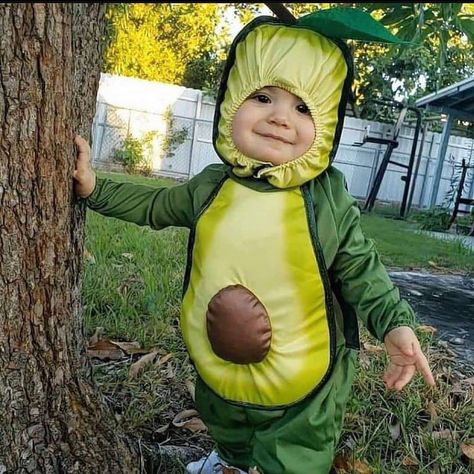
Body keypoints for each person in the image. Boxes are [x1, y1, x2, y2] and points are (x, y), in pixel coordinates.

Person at [74, 8, 435, 474]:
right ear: (231, 103)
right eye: (263, 97)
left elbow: (360, 268)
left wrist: (393, 324)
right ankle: (231, 459)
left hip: (307, 369)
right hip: (219, 357)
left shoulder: (325, 200)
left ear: (326, 126)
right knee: (225, 415)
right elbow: (153, 207)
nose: (280, 118)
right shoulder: (210, 187)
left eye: (304, 107)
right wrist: (95, 189)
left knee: (296, 449)